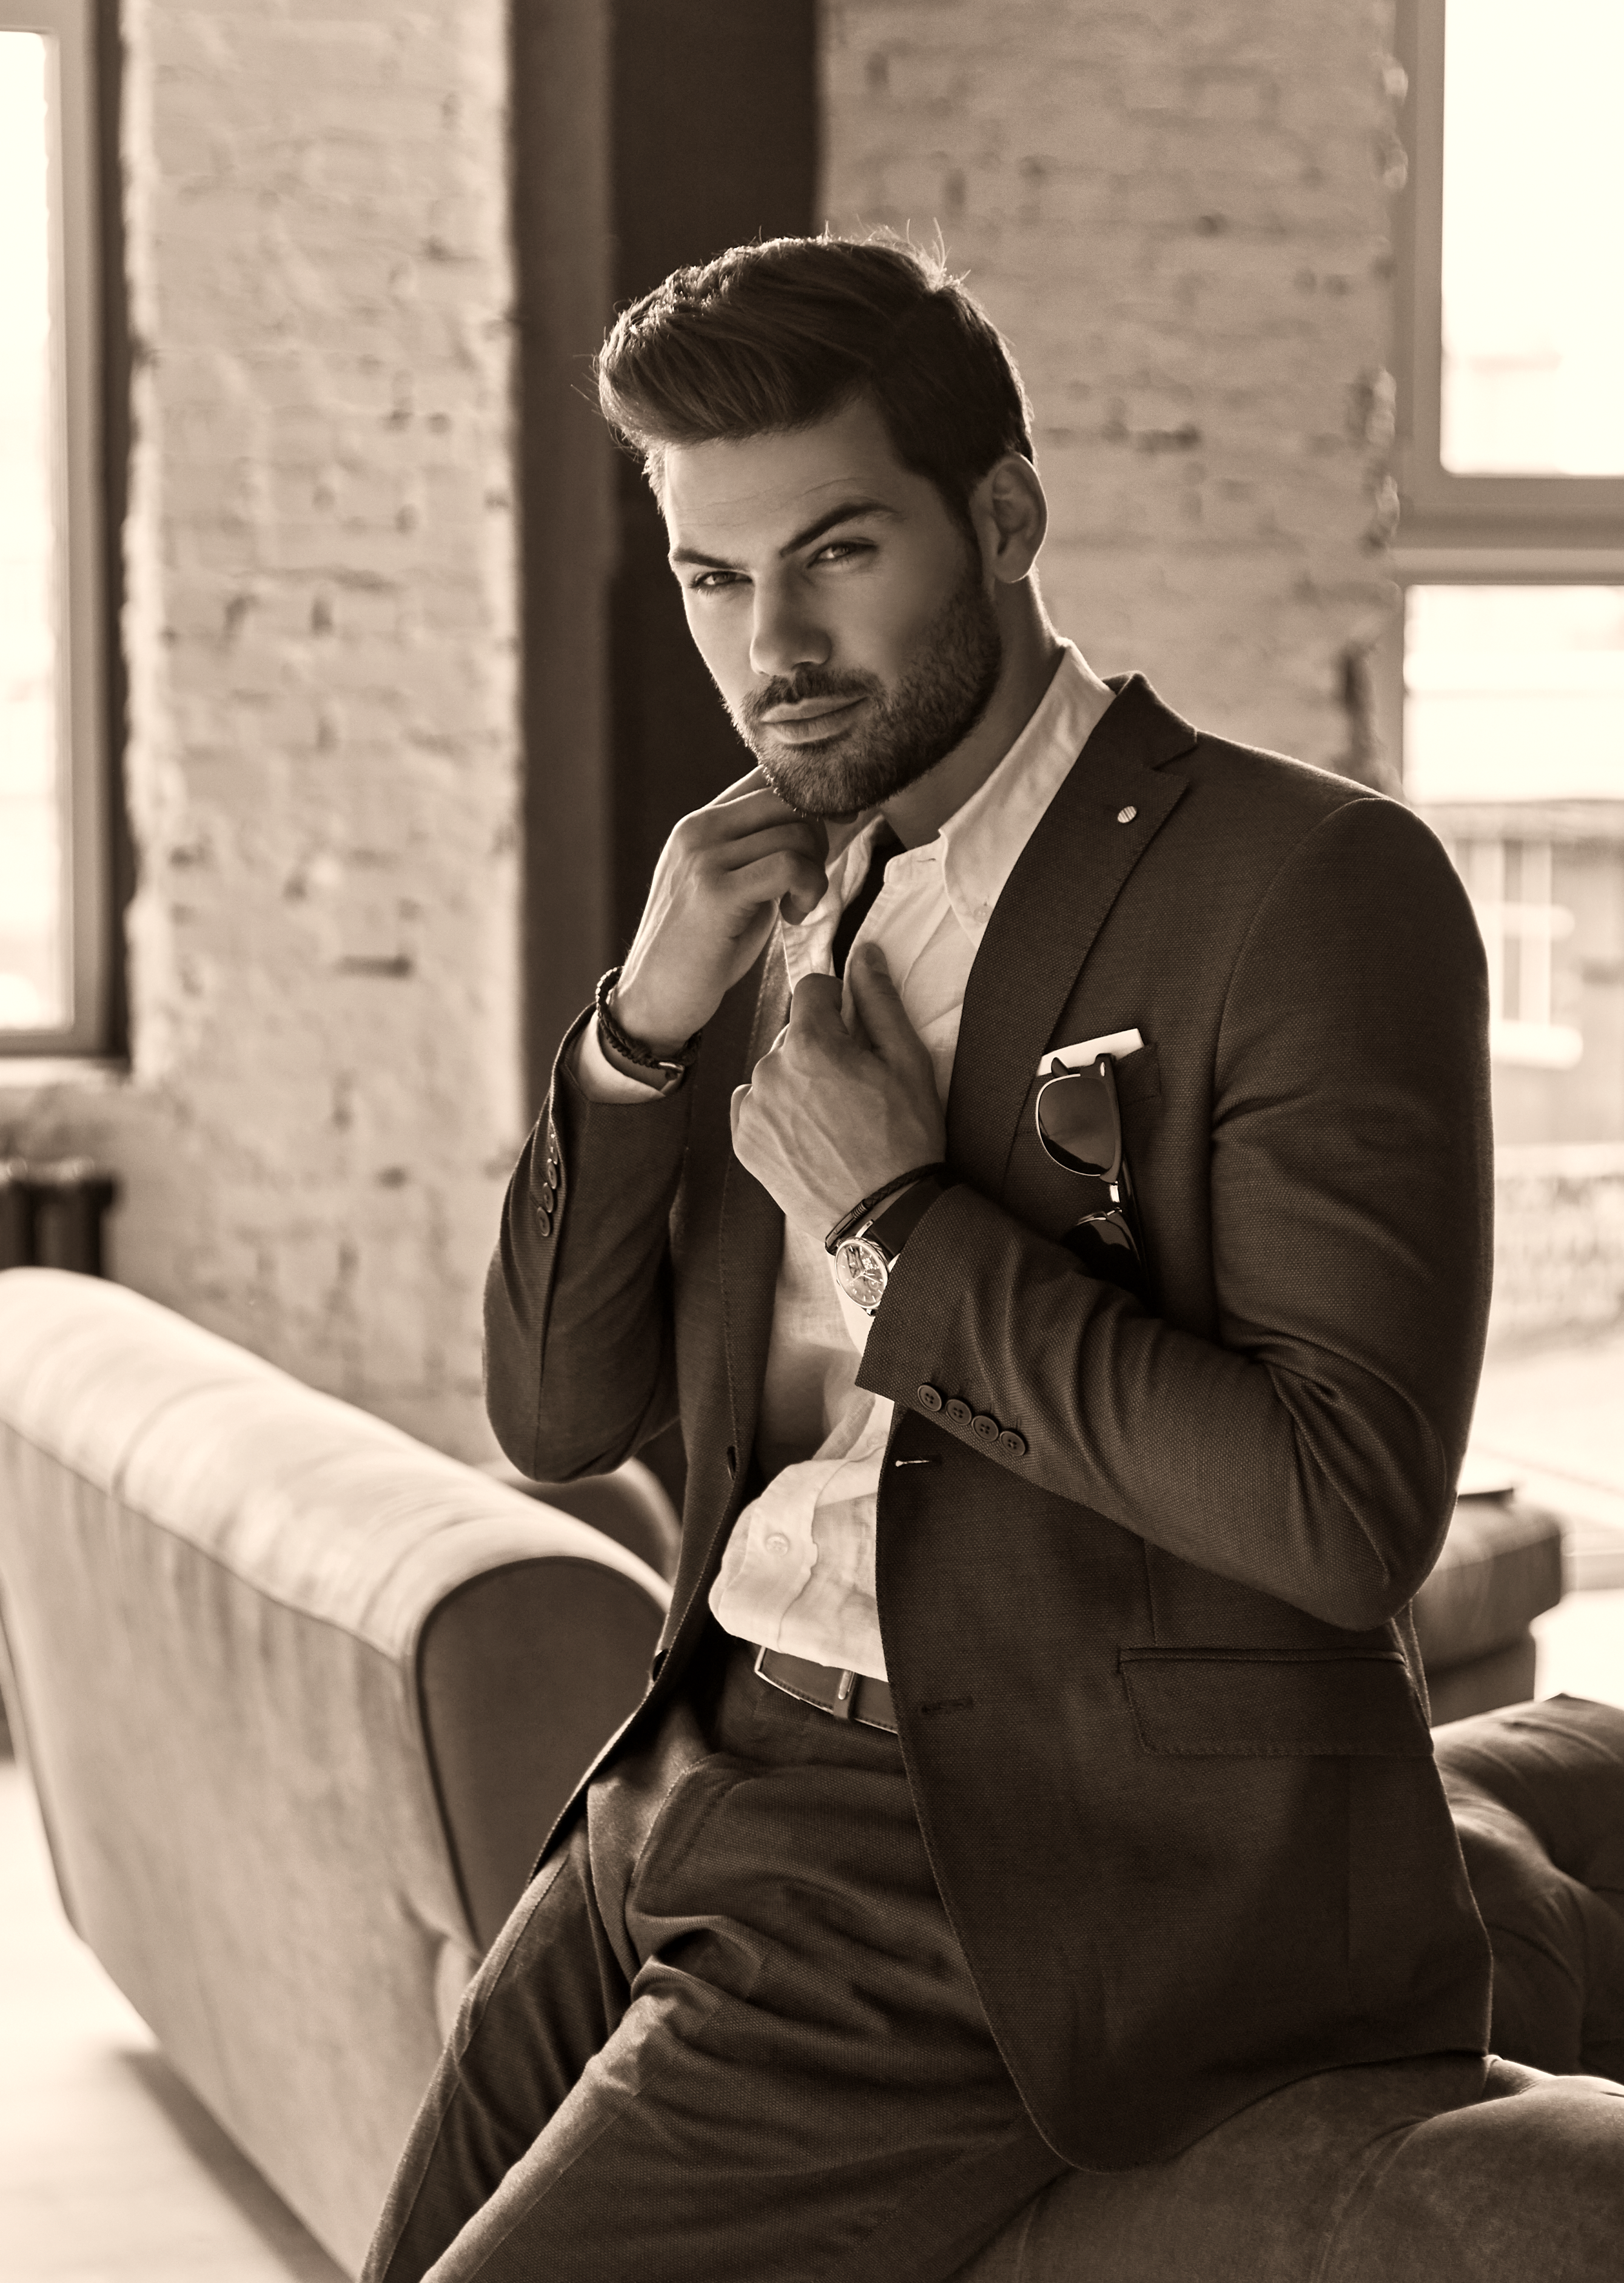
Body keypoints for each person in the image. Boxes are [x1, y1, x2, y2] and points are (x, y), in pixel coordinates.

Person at [363, 234, 1495, 2283]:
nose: (770, 644)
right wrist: (639, 1029)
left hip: (994, 1871)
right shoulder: (782, 899)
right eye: (715, 578)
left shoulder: (1303, 884)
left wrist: (899, 1226)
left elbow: (1345, 1517)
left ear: (1006, 514)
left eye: (836, 553)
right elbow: (555, 1412)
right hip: (686, 1766)